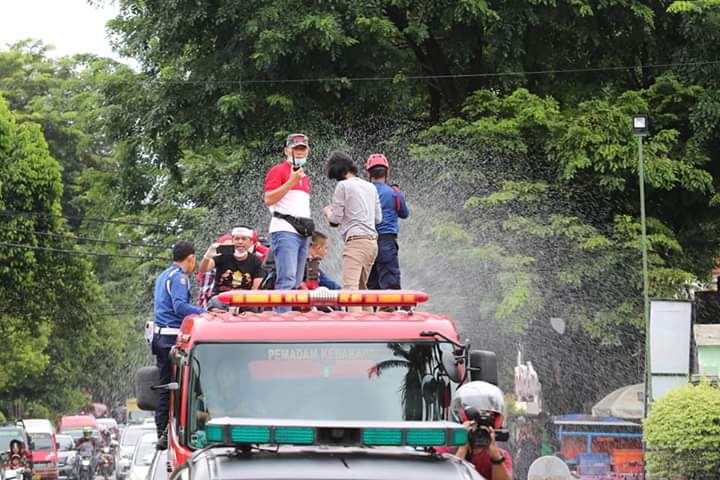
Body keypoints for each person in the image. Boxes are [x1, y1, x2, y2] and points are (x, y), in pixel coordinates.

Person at [153, 240, 206, 449]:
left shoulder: (163, 275)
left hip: (159, 336)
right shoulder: (180, 277)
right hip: (171, 337)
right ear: (191, 259)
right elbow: (180, 307)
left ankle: (162, 431)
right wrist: (206, 312)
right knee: (184, 385)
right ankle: (178, 430)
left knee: (166, 386)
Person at [323, 151, 381, 306]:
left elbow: (335, 219)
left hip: (356, 242)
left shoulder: (343, 186)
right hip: (372, 244)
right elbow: (378, 218)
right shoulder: (370, 187)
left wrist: (328, 211)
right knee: (362, 290)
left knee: (350, 291)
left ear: (337, 171)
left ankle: (355, 326)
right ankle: (368, 325)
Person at [264, 133, 313, 313]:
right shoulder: (278, 170)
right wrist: (291, 181)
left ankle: (288, 316)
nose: (299, 152)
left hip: (302, 232)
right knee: (287, 278)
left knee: (297, 281)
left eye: (302, 149)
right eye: (295, 149)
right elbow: (268, 199)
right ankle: (282, 321)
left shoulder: (305, 176)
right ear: (287, 151)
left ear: (308, 151)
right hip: (284, 230)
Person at [439, 381, 513, 480]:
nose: (479, 434)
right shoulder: (444, 452)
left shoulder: (500, 456)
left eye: (484, 429)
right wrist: (461, 449)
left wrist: (495, 457)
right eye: (475, 427)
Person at [365, 154, 409, 291]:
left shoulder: (363, 192)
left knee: (370, 285)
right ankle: (391, 311)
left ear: (368, 173)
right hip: (387, 242)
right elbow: (404, 214)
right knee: (390, 284)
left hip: (367, 242)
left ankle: (370, 312)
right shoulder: (394, 192)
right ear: (386, 172)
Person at [199, 226, 264, 296]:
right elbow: (203, 269)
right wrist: (207, 256)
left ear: (251, 242)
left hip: (244, 299)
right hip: (221, 297)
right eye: (237, 239)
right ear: (232, 241)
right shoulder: (223, 255)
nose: (240, 242)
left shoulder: (256, 261)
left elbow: (256, 288)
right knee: (216, 306)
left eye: (244, 239)